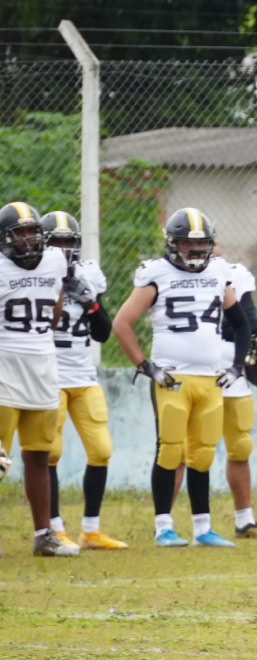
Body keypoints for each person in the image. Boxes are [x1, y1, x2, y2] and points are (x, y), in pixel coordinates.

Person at [110, 207, 250, 548]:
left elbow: (242, 323)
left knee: (202, 452)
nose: (195, 252)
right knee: (170, 451)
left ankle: (203, 527)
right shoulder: (156, 273)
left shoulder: (219, 271)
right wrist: (147, 366)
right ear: (173, 245)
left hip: (210, 377)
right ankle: (163, 527)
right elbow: (122, 323)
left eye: (201, 245)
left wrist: (236, 367)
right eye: (188, 245)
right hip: (171, 377)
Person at [40, 210, 123, 550]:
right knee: (50, 454)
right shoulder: (35, 276)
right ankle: (54, 527)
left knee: (101, 451)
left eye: (68, 242)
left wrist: (89, 301)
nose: (62, 249)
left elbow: (104, 332)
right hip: (50, 376)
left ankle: (91, 529)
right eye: (56, 242)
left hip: (84, 376)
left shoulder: (88, 274)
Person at [0, 201, 77, 556]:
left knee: (39, 457)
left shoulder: (56, 261)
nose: (28, 240)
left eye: (33, 232)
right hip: (4, 365)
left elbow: (56, 306)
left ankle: (44, 534)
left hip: (43, 367)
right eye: (20, 233)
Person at [211, 256, 257, 539]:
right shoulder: (167, 273)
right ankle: (168, 524)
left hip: (234, 368)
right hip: (198, 368)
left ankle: (245, 521)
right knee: (186, 450)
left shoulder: (235, 272)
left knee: (240, 446)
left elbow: (250, 322)